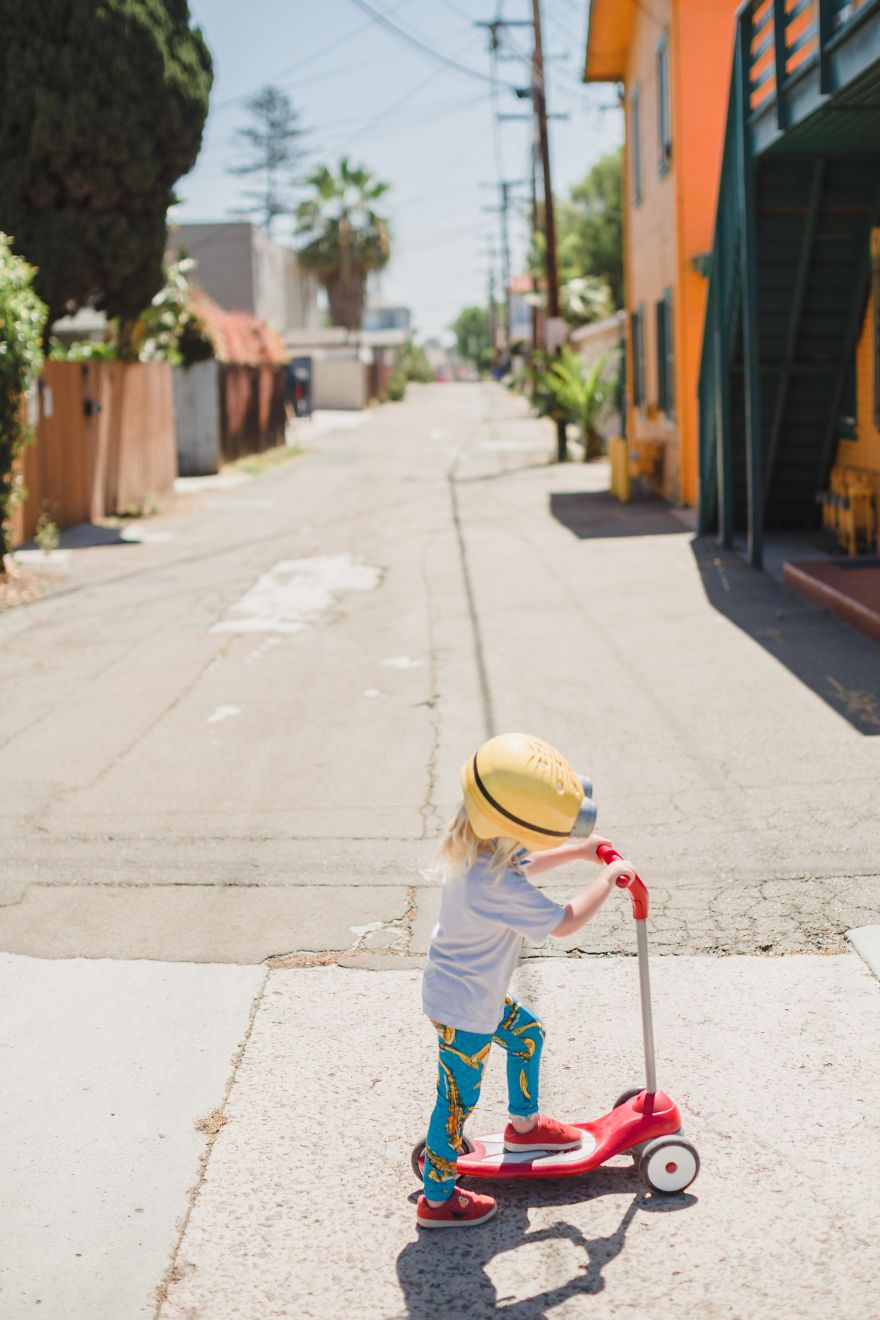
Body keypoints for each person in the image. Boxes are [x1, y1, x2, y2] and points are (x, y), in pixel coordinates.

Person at [416, 733, 636, 1229]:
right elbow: (564, 921)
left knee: (527, 1033)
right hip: (465, 1011)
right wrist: (608, 877)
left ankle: (525, 1127)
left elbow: (524, 863)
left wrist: (580, 850)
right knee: (455, 1103)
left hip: (473, 996)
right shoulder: (492, 885)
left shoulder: (480, 852)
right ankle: (437, 1199)